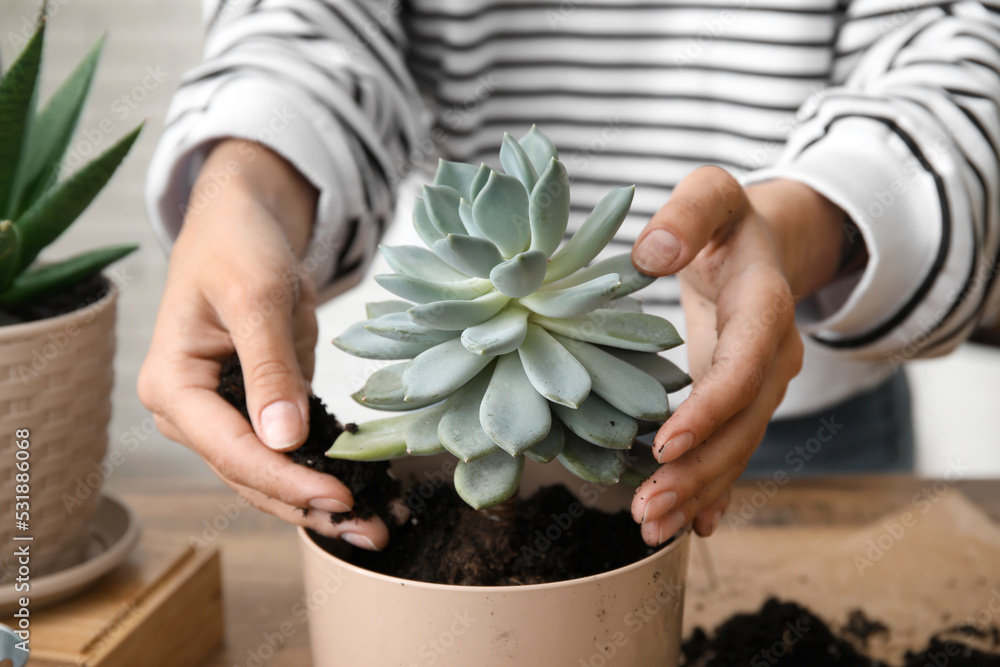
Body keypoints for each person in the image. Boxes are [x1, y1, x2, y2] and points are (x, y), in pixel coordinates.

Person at [139, 0, 1000, 551]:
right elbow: (309, 26)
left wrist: (800, 224)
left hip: (792, 410)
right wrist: (243, 186)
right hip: (466, 413)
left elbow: (956, 47)